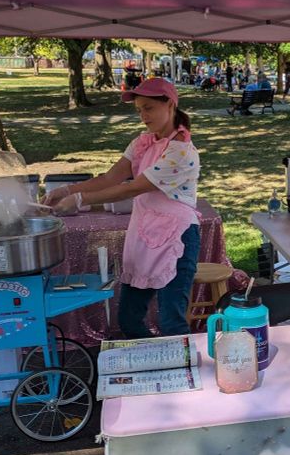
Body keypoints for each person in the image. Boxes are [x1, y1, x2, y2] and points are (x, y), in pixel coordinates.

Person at [44, 78, 200, 339]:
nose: (143, 116)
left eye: (149, 108)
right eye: (139, 110)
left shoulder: (182, 153)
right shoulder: (142, 143)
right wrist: (66, 190)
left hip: (177, 239)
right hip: (144, 234)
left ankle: (180, 374)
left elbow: (133, 187)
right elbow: (110, 177)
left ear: (170, 105)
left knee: (171, 320)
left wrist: (81, 200)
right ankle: (151, 362)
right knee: (128, 318)